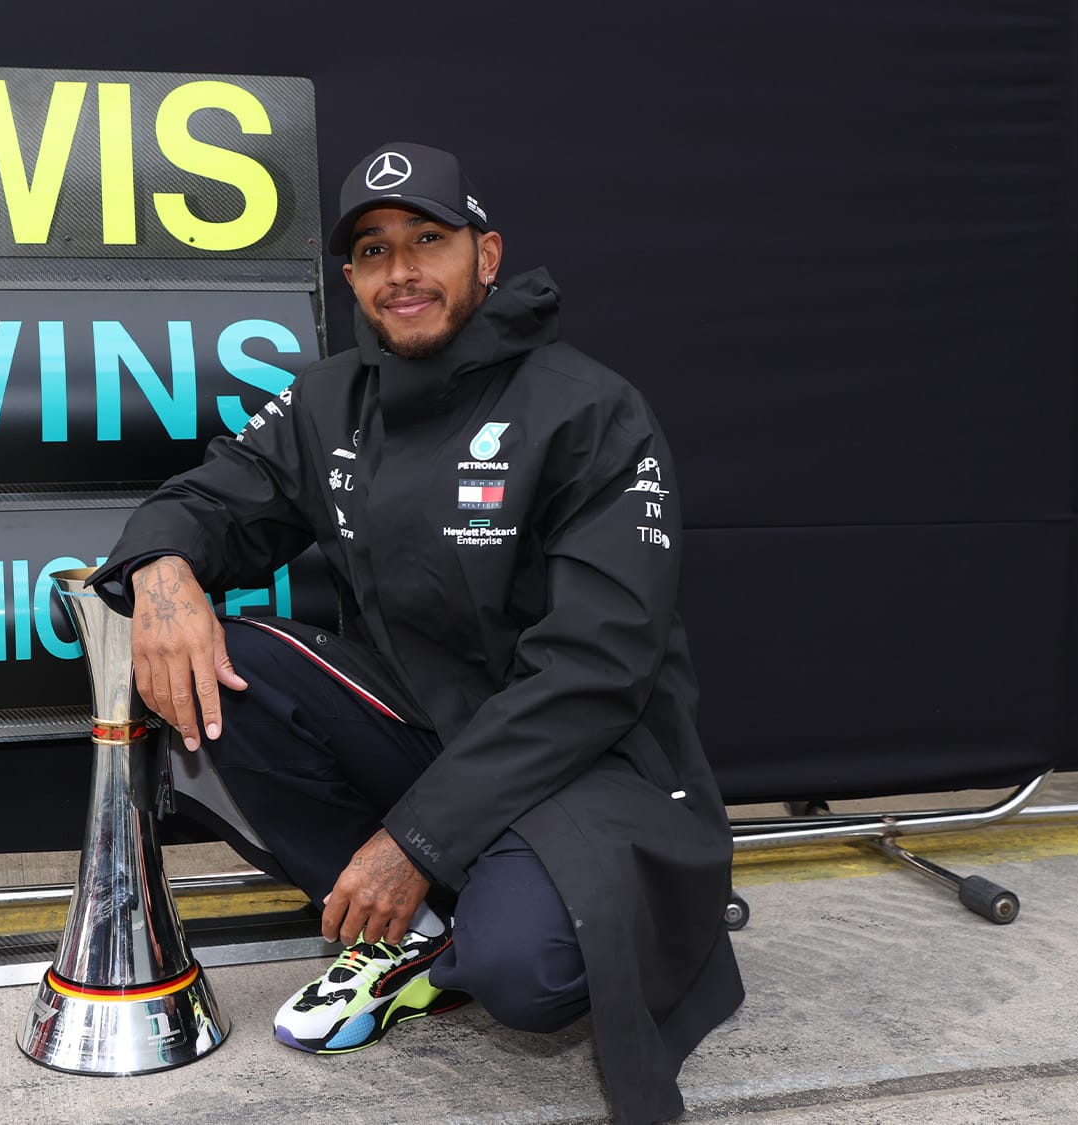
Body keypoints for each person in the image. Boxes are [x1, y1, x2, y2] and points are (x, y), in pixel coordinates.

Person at [88, 141, 743, 1123]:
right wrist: (162, 570)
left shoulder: (589, 410)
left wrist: (417, 839)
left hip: (586, 759)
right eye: (372, 251)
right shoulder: (328, 402)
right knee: (225, 674)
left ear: (485, 257)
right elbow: (211, 500)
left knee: (525, 975)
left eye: (427, 242)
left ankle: (515, 906)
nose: (400, 273)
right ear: (350, 277)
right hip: (420, 729)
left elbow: (597, 672)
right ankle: (419, 927)